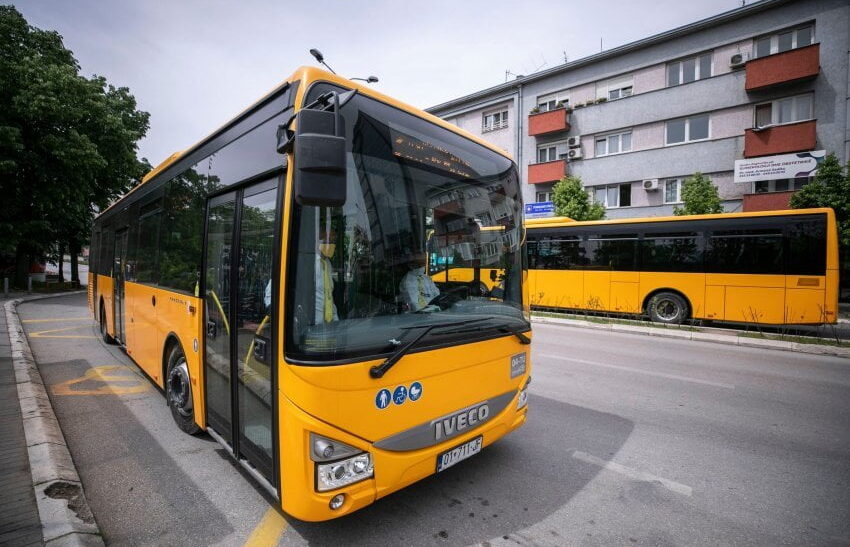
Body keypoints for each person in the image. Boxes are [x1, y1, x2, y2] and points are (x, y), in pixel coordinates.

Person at [315, 229, 339, 323]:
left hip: (330, 320)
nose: (331, 245)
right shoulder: (307, 262)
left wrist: (335, 318)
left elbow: (329, 293)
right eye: (327, 241)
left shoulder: (328, 263)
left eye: (333, 242)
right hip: (314, 324)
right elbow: (276, 284)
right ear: (318, 242)